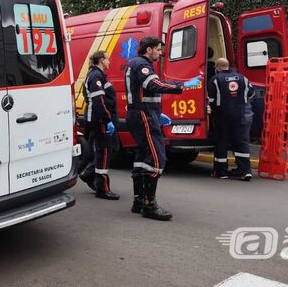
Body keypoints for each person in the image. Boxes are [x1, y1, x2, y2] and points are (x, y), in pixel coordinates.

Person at [126, 37, 200, 220]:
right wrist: (182, 85)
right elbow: (153, 85)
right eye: (158, 49)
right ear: (149, 49)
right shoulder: (141, 64)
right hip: (144, 115)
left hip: (144, 114)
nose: (160, 53)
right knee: (157, 158)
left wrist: (157, 113)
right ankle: (149, 206)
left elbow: (149, 90)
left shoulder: (138, 64)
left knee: (143, 157)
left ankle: (139, 201)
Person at [79, 51, 120, 200]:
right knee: (104, 153)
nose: (109, 62)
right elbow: (99, 102)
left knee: (111, 149)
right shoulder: (96, 76)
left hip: (102, 119)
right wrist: (107, 120)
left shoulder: (98, 75)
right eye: (108, 59)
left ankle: (88, 173)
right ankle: (102, 188)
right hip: (100, 120)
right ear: (102, 60)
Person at [207, 58, 255, 181]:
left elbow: (211, 100)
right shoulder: (242, 78)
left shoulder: (215, 80)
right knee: (241, 143)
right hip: (240, 116)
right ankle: (245, 171)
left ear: (217, 67)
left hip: (222, 117)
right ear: (228, 66)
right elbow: (251, 93)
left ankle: (221, 172)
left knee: (221, 143)